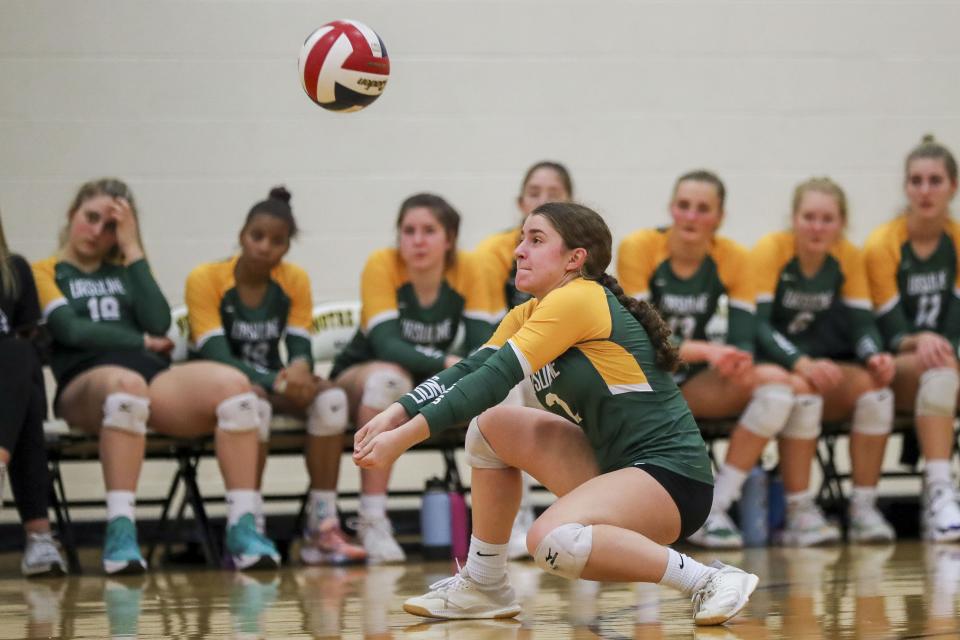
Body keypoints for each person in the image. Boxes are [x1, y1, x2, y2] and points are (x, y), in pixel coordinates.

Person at [354, 202, 758, 625]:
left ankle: (707, 579)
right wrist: (395, 413)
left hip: (671, 479)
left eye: (536, 239)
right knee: (490, 430)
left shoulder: (580, 299)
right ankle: (484, 583)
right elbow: (469, 371)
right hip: (614, 470)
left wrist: (403, 439)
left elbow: (495, 379)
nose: (519, 251)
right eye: (521, 239)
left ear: (574, 259)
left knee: (550, 542)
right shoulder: (529, 312)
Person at [33, 178, 279, 574]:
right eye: (91, 218)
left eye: (111, 226)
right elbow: (70, 331)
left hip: (147, 377)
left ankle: (242, 526)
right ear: (71, 215)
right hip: (84, 380)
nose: (98, 232)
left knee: (237, 389)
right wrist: (141, 340)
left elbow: (160, 321)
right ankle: (121, 531)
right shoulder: (44, 271)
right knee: (126, 388)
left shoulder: (127, 268)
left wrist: (133, 250)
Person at [185, 186, 365, 565]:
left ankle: (322, 524)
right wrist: (281, 382)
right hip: (223, 383)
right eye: (257, 236)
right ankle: (251, 522)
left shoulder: (293, 279)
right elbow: (215, 354)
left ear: (286, 247)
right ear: (241, 236)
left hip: (272, 379)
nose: (265, 247)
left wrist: (300, 370)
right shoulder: (206, 279)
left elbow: (300, 344)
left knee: (331, 400)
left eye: (277, 241)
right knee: (253, 403)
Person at [617, 170, 796, 548]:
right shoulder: (639, 248)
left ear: (719, 218)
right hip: (642, 384)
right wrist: (709, 350)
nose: (692, 217)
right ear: (671, 210)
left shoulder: (734, 258)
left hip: (693, 383)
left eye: (703, 209)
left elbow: (743, 340)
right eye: (684, 206)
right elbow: (641, 340)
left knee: (779, 388)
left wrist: (732, 358)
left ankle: (715, 508)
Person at [330, 192, 502, 562]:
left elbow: (480, 347)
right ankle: (372, 521)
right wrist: (446, 363)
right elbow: (386, 344)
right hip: (359, 375)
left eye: (429, 230)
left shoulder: (471, 269)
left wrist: (450, 367)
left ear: (449, 239)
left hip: (422, 382)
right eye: (408, 231)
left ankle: (507, 523)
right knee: (388, 380)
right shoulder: (382, 264)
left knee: (498, 387)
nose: (417, 240)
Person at [751, 177, 896, 545]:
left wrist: (874, 355)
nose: (817, 227)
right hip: (781, 367)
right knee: (804, 391)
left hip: (825, 365)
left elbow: (864, 326)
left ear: (842, 223)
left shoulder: (848, 256)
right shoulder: (772, 250)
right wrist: (800, 362)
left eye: (827, 219)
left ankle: (863, 508)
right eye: (809, 217)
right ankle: (799, 511)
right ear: (794, 218)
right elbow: (759, 327)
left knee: (878, 392)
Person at [474, 160, 575, 558]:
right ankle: (517, 515)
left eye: (554, 194)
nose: (544, 201)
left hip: (560, 367)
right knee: (503, 386)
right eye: (535, 193)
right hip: (517, 369)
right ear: (521, 204)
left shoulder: (581, 259)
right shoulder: (490, 255)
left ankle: (586, 515)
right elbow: (484, 335)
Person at [865, 135, 960, 542]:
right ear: (906, 187)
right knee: (938, 370)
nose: (925, 190)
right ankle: (939, 492)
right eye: (916, 181)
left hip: (949, 358)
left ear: (952, 187)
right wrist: (920, 339)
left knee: (943, 366)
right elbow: (889, 330)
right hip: (898, 365)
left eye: (935, 180)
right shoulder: (882, 244)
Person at [0, 209, 68, 576]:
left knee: (19, 357)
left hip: (5, 390)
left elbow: (34, 340)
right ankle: (39, 535)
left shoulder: (13, 269)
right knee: (21, 386)